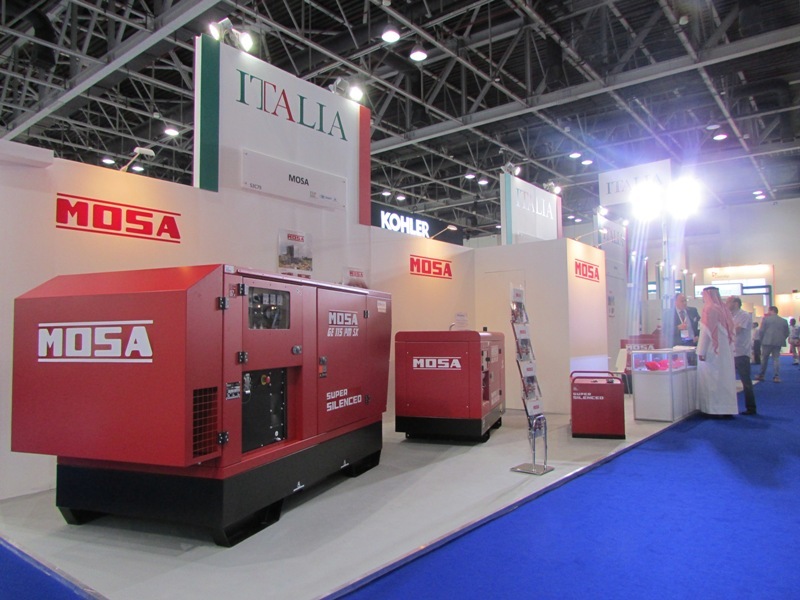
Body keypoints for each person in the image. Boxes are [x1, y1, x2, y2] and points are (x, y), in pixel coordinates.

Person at [696, 287, 737, 416]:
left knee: (712, 380)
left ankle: (714, 409)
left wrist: (700, 352)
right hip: (725, 352)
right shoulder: (724, 309)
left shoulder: (709, 309)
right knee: (725, 380)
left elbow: (705, 333)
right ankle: (727, 409)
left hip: (712, 352)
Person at [727, 296, 757, 415]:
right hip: (731, 352)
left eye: (728, 302)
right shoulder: (730, 316)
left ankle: (751, 407)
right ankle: (730, 407)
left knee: (746, 382)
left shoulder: (744, 315)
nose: (726, 304)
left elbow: (736, 330)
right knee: (729, 380)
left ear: (735, 303)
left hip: (741, 353)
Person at [755, 306, 790, 382]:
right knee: (776, 358)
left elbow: (761, 331)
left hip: (767, 341)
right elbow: (787, 332)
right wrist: (781, 338)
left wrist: (761, 339)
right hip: (778, 342)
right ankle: (776, 376)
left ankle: (761, 375)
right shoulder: (783, 321)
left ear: (771, 310)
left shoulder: (766, 319)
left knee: (764, 358)